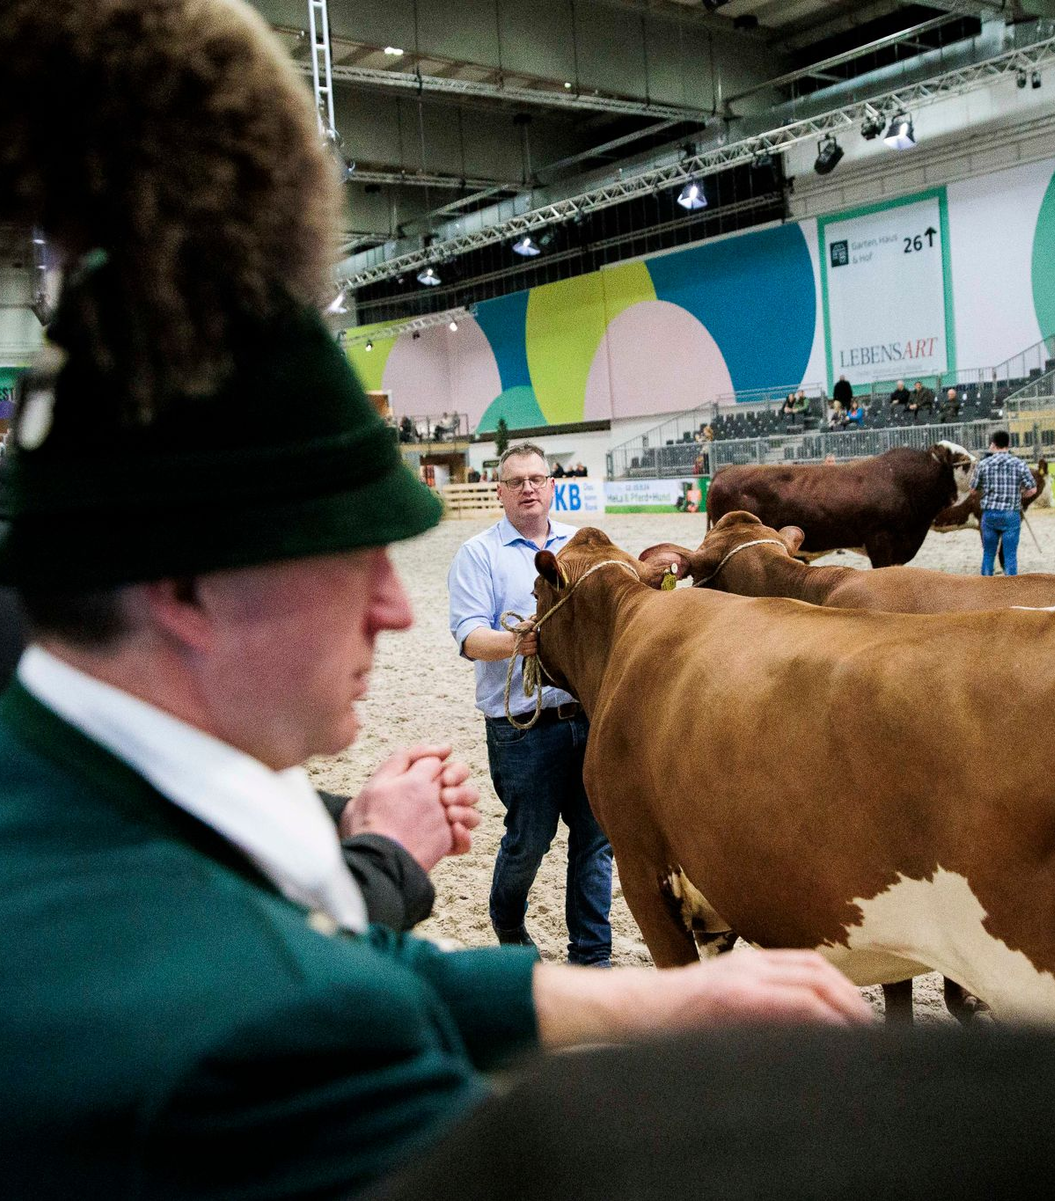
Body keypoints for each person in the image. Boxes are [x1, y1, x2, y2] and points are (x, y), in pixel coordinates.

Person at [0, 3, 870, 1193]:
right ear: (186, 587)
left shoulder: (60, 783)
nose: (392, 609)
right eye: (345, 560)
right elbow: (329, 1006)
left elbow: (362, 968)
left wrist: (666, 1004)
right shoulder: (254, 1028)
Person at [447, 442, 613, 964]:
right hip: (521, 724)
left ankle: (592, 957)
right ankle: (508, 921)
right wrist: (521, 642)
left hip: (585, 715)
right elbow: (470, 636)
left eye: (537, 479)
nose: (528, 489)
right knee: (528, 842)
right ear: (499, 491)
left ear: (552, 486)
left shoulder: (583, 546)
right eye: (516, 481)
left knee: (594, 841)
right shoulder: (479, 554)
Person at [969, 430, 1038, 576]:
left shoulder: (983, 464)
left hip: (989, 515)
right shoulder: (1019, 464)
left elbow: (972, 490)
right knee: (1010, 555)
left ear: (993, 445)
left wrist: (985, 487)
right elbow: (1032, 490)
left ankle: (986, 586)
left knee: (988, 554)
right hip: (1011, 514)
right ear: (1008, 444)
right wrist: (1021, 494)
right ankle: (1010, 589)